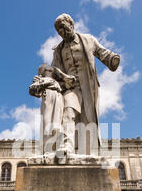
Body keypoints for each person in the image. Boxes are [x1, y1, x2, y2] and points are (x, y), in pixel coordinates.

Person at [51, 13, 120, 156]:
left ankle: (88, 151)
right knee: (68, 112)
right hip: (70, 88)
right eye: (59, 31)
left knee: (88, 120)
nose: (62, 33)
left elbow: (103, 53)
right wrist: (49, 80)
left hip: (88, 87)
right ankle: (67, 146)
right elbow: (54, 71)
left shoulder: (88, 40)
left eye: (63, 28)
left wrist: (112, 59)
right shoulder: (58, 50)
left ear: (71, 25)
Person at [29, 64, 76, 158]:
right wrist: (40, 83)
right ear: (42, 72)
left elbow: (71, 82)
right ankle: (48, 149)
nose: (50, 71)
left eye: (51, 70)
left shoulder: (55, 81)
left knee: (57, 123)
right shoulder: (40, 79)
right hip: (48, 97)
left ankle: (57, 146)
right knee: (48, 122)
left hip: (58, 97)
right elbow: (32, 90)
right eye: (47, 70)